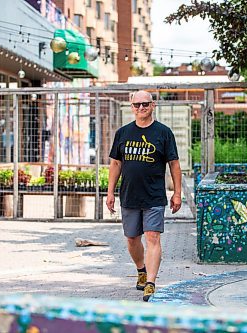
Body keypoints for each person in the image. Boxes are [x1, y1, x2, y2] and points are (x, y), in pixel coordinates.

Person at [106, 90, 182, 302]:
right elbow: (116, 164)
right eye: (137, 105)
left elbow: (174, 164)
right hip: (129, 195)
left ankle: (150, 282)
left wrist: (177, 193)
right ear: (132, 107)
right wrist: (110, 192)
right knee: (132, 239)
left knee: (152, 237)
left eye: (145, 104)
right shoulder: (123, 133)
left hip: (154, 196)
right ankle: (141, 269)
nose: (141, 108)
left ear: (153, 105)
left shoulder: (163, 133)